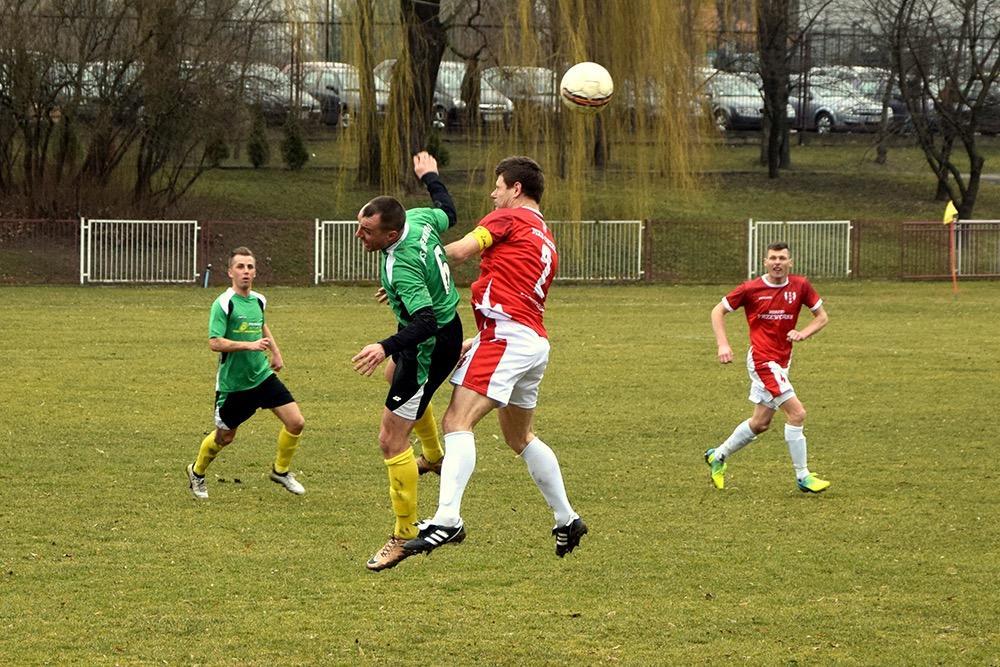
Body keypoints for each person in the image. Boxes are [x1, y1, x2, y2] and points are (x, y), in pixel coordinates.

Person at [403, 155, 587, 560]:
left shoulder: (506, 220)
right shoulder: (544, 234)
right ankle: (566, 517)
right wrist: (477, 338)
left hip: (507, 338)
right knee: (518, 437)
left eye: (498, 185)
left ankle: (447, 518)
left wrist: (406, 261)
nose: (493, 193)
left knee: (456, 421)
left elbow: (459, 252)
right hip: (530, 340)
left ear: (516, 189)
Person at [351, 151, 463, 572]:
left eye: (366, 232)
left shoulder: (400, 266)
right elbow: (447, 210)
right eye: (359, 227)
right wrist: (431, 174)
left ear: (391, 232)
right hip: (443, 326)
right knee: (392, 374)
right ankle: (433, 456)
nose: (360, 237)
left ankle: (403, 534)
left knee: (389, 438)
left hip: (431, 344)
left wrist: (383, 343)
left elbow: (426, 321)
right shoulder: (420, 219)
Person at [705, 241, 831, 493]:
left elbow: (822, 317)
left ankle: (717, 456)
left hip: (783, 361)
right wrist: (723, 345)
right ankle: (803, 476)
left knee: (760, 423)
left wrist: (803, 333)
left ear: (789, 262)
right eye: (773, 258)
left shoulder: (800, 286)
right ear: (765, 262)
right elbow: (717, 311)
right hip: (763, 362)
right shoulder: (751, 289)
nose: (777, 262)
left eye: (782, 258)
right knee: (797, 414)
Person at [186, 247, 306, 500]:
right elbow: (215, 342)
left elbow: (261, 324)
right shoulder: (223, 303)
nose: (246, 272)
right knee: (224, 437)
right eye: (240, 267)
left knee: (296, 422)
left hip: (262, 376)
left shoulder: (259, 300)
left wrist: (276, 352)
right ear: (230, 272)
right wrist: (249, 345)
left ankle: (280, 471)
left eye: (250, 267)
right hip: (235, 385)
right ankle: (197, 472)